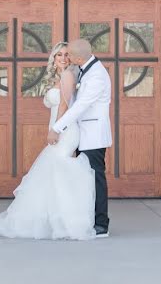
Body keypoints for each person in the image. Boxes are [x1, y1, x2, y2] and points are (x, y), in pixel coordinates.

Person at [0, 42, 96, 240]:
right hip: (59, 127)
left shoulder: (68, 75)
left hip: (66, 130)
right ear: (53, 58)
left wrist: (56, 130)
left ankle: (69, 223)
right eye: (59, 54)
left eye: (66, 54)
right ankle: (53, 220)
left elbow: (64, 105)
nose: (63, 58)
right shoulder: (58, 77)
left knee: (56, 169)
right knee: (51, 173)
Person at [49, 38, 112, 237]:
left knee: (96, 179)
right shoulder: (84, 69)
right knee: (86, 179)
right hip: (83, 133)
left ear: (77, 57)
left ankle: (101, 224)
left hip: (93, 135)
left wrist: (56, 128)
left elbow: (80, 106)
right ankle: (87, 220)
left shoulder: (96, 76)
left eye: (69, 55)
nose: (67, 58)